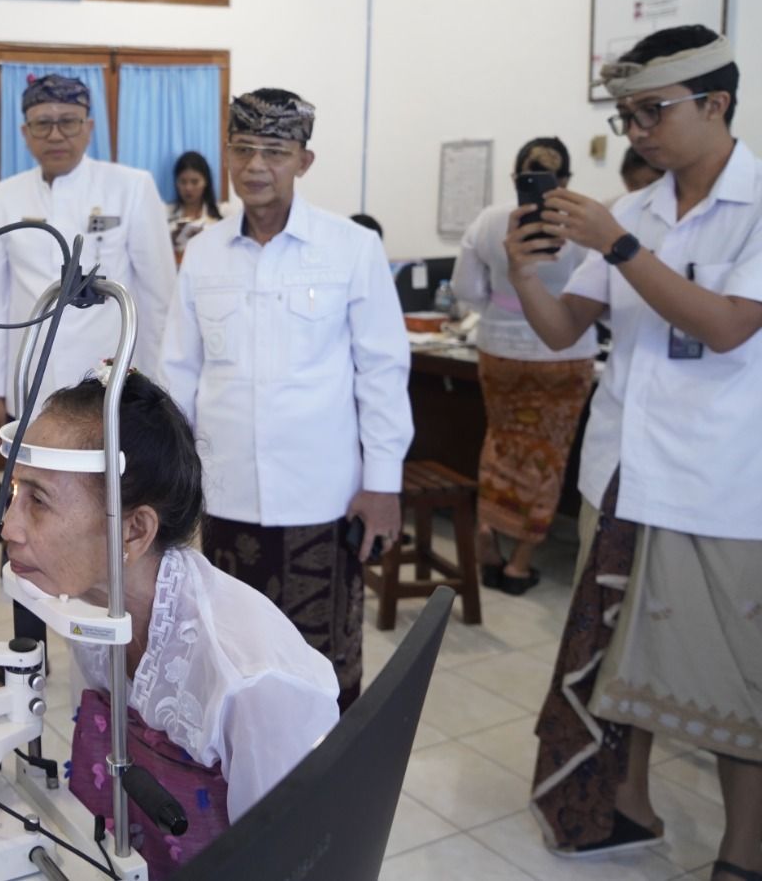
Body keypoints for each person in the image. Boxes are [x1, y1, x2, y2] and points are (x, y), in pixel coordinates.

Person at [512, 27, 762, 879]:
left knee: (738, 674)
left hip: (722, 477)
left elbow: (727, 327)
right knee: (618, 656)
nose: (638, 131)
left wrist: (618, 244)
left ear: (717, 104)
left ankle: (744, 847)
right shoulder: (642, 208)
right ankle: (629, 806)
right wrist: (523, 272)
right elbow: (563, 331)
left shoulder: (756, 204)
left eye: (653, 112)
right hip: (624, 468)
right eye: (627, 116)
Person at [0, 372, 338, 878]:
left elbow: (290, 861)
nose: (8, 526)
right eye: (15, 491)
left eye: (39, 502)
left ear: (134, 530)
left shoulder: (250, 681)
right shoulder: (93, 606)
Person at [162, 88, 411, 712]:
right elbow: (179, 373)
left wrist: (383, 483)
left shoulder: (351, 248)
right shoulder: (204, 252)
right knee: (232, 661)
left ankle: (326, 792)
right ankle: (237, 794)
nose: (255, 166)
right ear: (228, 154)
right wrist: (172, 487)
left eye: (274, 151)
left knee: (321, 663)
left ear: (304, 160)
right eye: (243, 149)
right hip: (224, 498)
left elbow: (382, 371)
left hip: (320, 500)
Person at [0, 74, 175, 453]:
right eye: (42, 123)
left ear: (89, 128)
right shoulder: (3, 198)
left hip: (113, 383)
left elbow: (159, 298)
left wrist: (160, 388)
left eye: (68, 121)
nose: (55, 135)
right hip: (32, 381)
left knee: (111, 495)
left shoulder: (131, 187)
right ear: (24, 131)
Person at [450, 138, 597, 595]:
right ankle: (520, 561)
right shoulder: (585, 225)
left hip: (499, 345)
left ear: (516, 178)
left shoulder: (490, 220)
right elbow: (600, 294)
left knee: (500, 441)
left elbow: (465, 288)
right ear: (566, 181)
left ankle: (487, 529)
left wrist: (504, 306)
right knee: (548, 457)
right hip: (564, 355)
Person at [167, 150, 222, 262]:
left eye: (195, 182)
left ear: (205, 182)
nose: (188, 188)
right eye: (183, 182)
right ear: (176, 182)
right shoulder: (165, 213)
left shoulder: (221, 216)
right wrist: (169, 240)